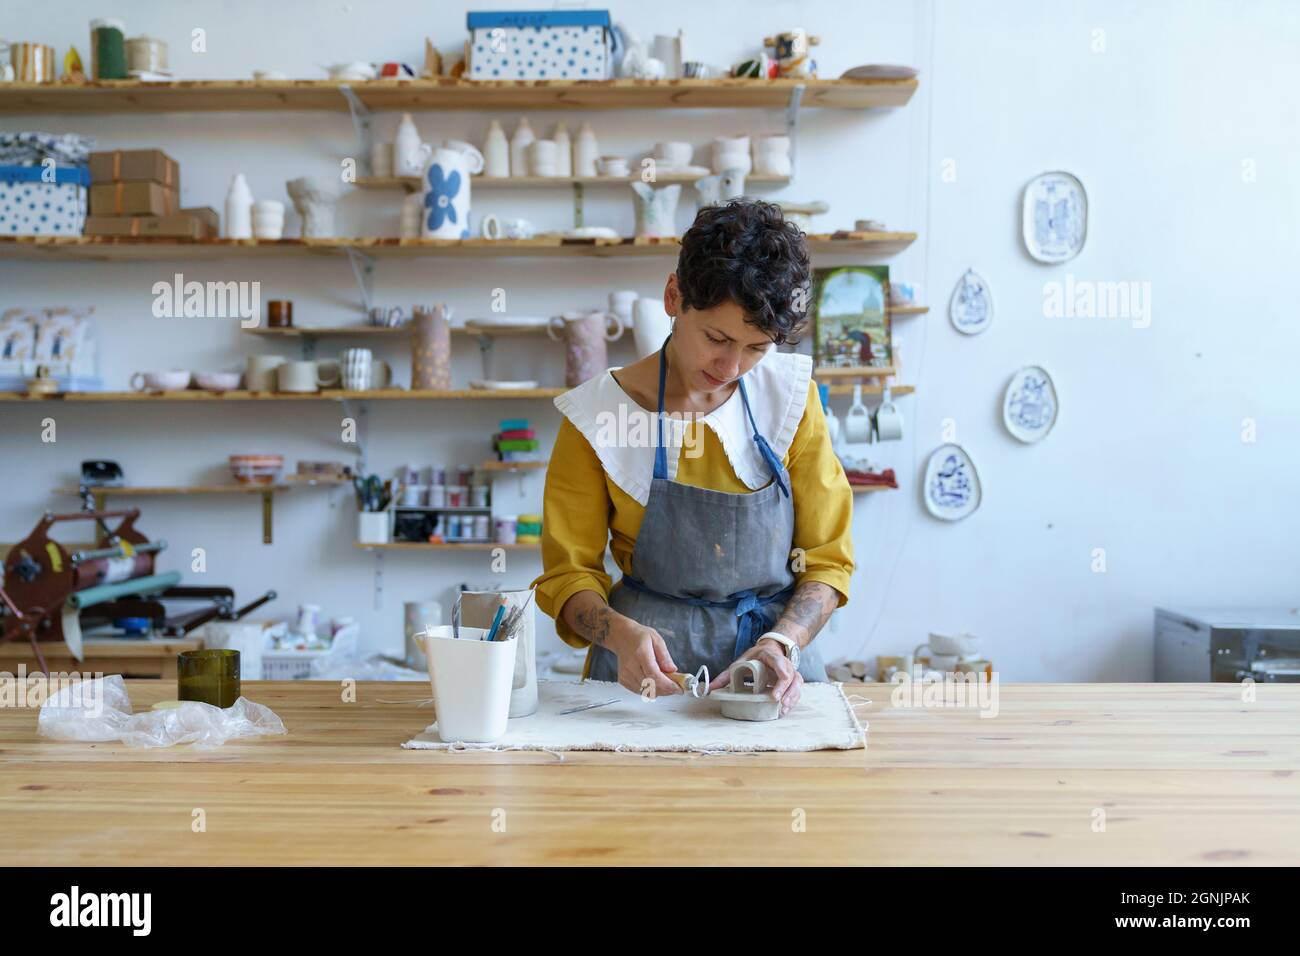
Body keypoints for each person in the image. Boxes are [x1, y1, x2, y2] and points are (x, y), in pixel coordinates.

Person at [532, 199, 854, 716]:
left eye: (756, 348)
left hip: (773, 674)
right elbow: (568, 578)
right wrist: (616, 634)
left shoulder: (790, 399)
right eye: (717, 338)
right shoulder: (597, 416)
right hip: (641, 679)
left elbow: (828, 561)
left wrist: (783, 642)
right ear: (673, 296)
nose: (731, 366)